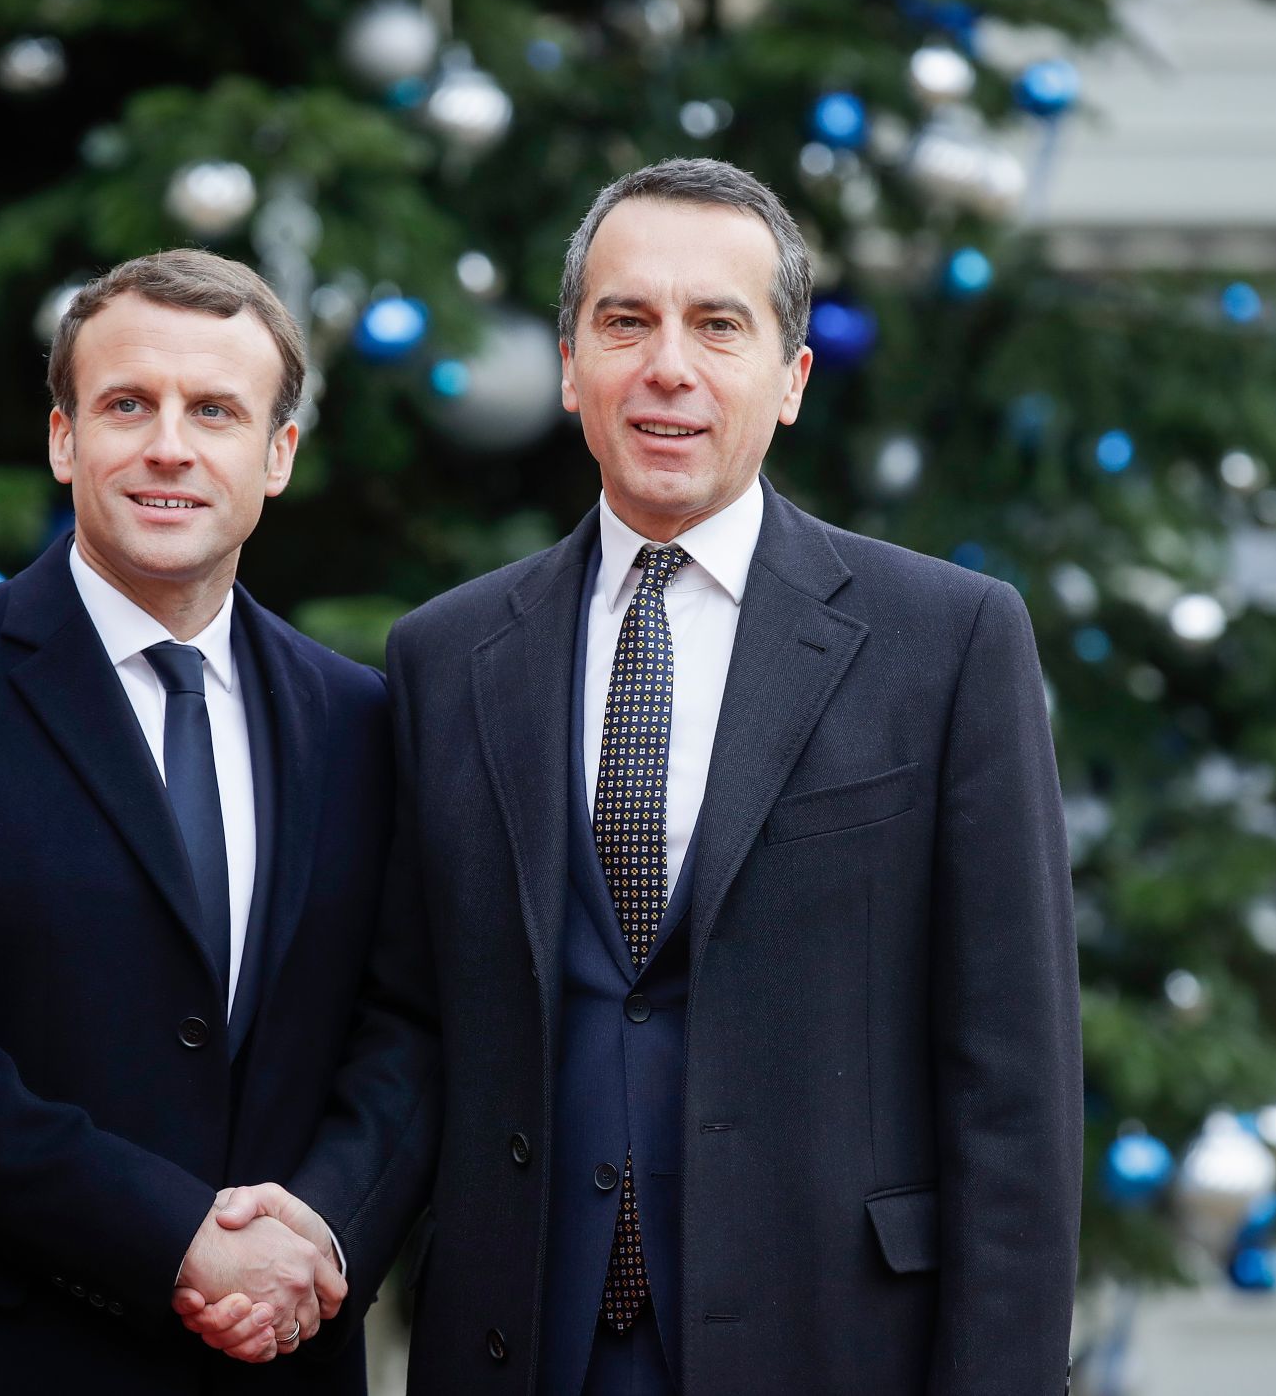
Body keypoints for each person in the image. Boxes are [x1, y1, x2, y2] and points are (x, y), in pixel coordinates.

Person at [190, 158, 1082, 1395]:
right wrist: (318, 1233)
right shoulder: (447, 656)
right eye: (625, 322)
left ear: (790, 378)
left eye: (717, 325)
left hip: (830, 1350)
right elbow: (415, 1026)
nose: (667, 365)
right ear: (569, 368)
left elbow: (1011, 1088)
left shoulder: (946, 642)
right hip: (522, 1348)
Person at [0, 248, 396, 1394]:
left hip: (273, 1359)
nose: (168, 445)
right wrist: (175, 1238)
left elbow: (397, 1030)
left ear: (277, 455)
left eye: (214, 410)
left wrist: (318, 1234)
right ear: (64, 439)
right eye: (127, 405)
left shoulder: (358, 718)